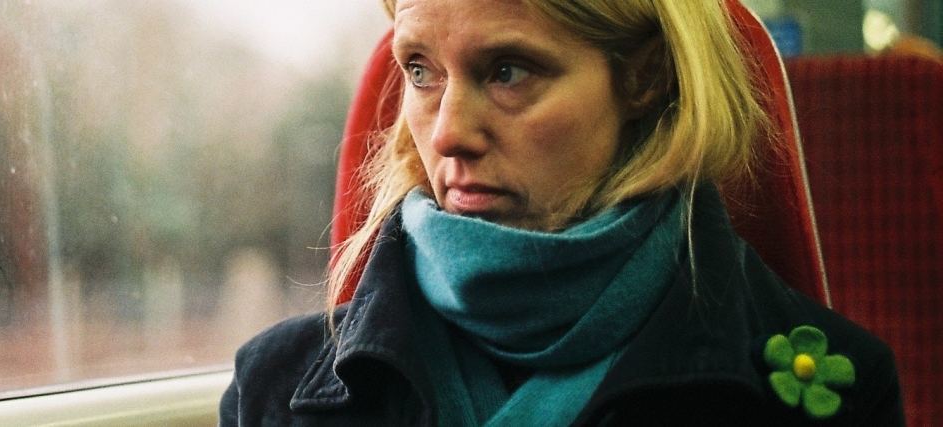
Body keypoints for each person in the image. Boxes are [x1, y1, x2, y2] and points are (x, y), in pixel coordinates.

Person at [220, 0, 904, 425]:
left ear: (645, 78)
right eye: (422, 71)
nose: (448, 131)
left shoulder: (846, 389)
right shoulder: (270, 386)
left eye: (508, 71)